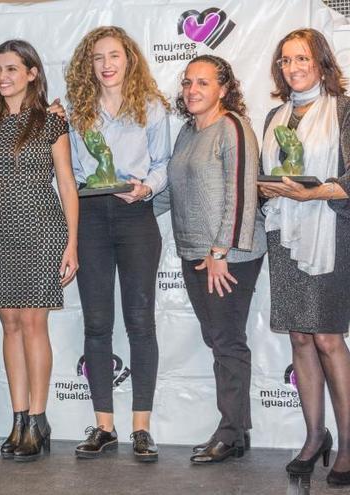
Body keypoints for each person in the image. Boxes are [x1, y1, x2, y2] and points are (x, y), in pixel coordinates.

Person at [0, 39, 79, 462]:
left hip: (40, 231)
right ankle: (17, 419)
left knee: (34, 325)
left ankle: (38, 417)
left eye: (13, 68)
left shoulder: (50, 122)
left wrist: (72, 241)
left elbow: (67, 184)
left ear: (32, 72)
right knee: (9, 325)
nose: (3, 77)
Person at [64, 26, 169, 462]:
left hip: (135, 216)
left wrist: (146, 188)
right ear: (88, 65)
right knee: (97, 324)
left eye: (114, 56)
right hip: (90, 217)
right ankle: (104, 427)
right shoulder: (74, 111)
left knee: (140, 323)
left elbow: (164, 164)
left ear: (129, 59)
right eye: (97, 58)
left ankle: (141, 429)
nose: (106, 65)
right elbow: (66, 172)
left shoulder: (151, 107)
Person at [258, 28, 350, 486]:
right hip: (285, 235)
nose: (292, 68)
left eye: (301, 59)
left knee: (329, 338)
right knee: (299, 337)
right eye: (285, 60)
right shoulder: (275, 115)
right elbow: (271, 177)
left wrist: (313, 194)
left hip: (330, 233)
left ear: (321, 63)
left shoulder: (345, 112)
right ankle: (315, 438)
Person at [167, 55, 265, 464]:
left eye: (203, 83)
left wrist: (221, 251)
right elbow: (174, 189)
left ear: (223, 89)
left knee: (226, 341)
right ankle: (237, 431)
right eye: (188, 83)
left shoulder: (233, 127)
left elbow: (241, 193)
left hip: (230, 255)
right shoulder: (188, 132)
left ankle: (229, 432)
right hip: (194, 252)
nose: (192, 90)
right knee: (218, 340)